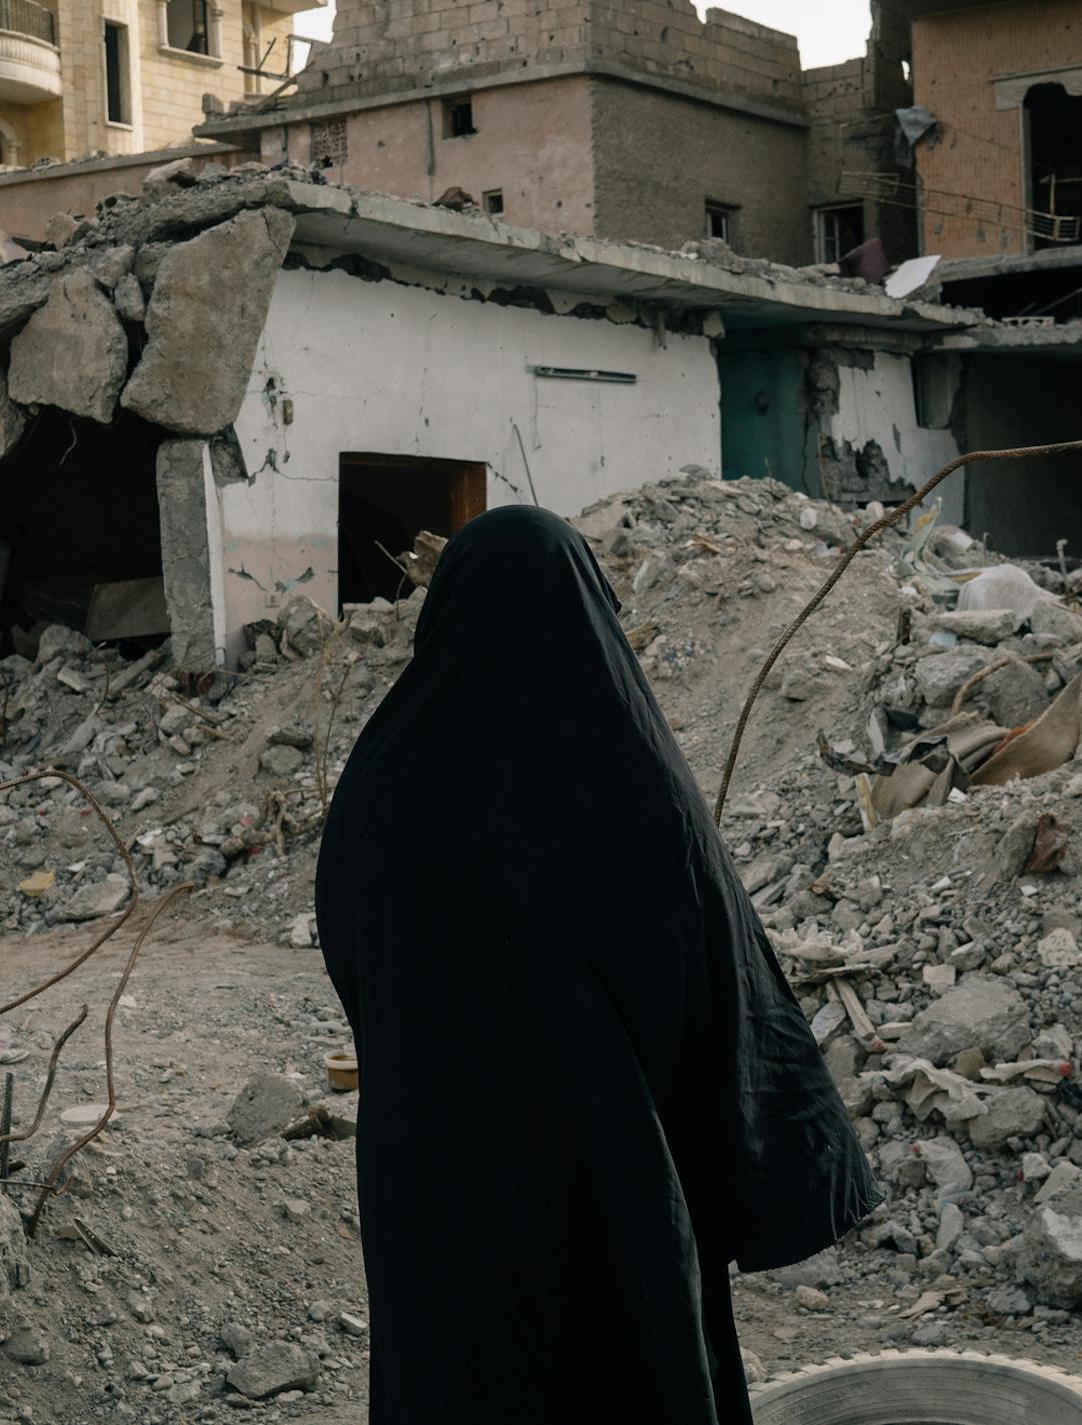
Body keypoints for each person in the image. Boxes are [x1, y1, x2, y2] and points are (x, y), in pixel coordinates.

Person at [315, 506, 877, 1425]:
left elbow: (347, 940)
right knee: (627, 1364)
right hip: (614, 1174)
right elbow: (717, 973)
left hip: (435, 1173)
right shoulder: (629, 774)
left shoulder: (384, 779)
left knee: (457, 1366)